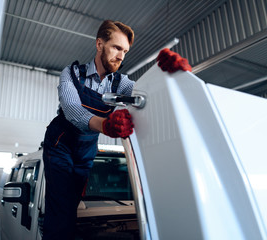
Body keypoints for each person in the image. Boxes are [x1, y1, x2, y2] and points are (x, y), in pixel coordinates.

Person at [42, 20, 191, 240]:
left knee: (71, 204)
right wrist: (105, 124)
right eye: (116, 48)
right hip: (60, 143)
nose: (121, 56)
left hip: (86, 148)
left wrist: (173, 76)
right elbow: (73, 109)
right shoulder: (71, 74)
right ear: (99, 44)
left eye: (125, 51)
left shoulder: (119, 83)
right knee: (61, 208)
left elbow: (146, 94)